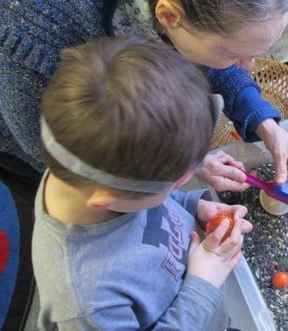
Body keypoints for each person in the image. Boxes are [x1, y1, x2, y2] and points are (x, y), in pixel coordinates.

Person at [0, 0, 288, 205]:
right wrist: (176, 171)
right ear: (167, 17)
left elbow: (197, 45)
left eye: (255, 52)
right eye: (232, 52)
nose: (247, 67)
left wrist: (266, 125)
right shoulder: (32, 44)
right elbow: (65, 164)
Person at [32, 36, 253, 330]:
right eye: (174, 185)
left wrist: (194, 205)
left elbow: (149, 202)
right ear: (106, 199)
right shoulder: (86, 303)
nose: (177, 188)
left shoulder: (82, 171)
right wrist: (203, 283)